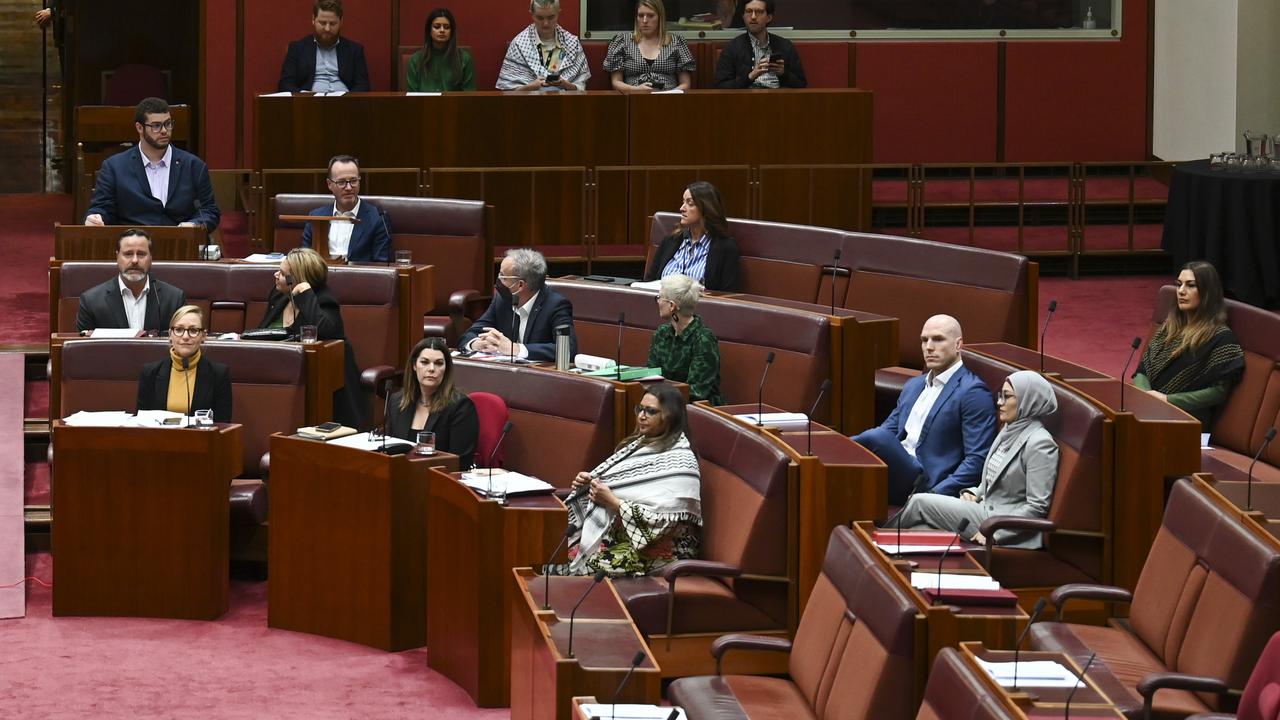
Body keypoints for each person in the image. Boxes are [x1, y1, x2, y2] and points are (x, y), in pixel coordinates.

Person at [892, 370, 1059, 549]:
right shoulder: (1009, 430)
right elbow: (990, 481)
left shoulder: (1040, 443)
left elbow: (1037, 506)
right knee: (921, 529)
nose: (999, 402)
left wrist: (995, 532)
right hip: (984, 509)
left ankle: (874, 540)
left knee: (919, 502)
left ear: (1029, 400)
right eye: (1000, 395)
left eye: (1007, 397)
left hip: (998, 522)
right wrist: (974, 492)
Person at [548, 383, 701, 576]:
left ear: (670, 416)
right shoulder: (640, 443)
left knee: (563, 571)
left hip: (662, 551)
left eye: (651, 411)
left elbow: (664, 521)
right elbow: (621, 483)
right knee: (548, 558)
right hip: (624, 536)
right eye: (640, 409)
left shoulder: (681, 461)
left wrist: (613, 502)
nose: (642, 416)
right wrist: (590, 483)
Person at [852, 315, 997, 505]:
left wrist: (932, 496)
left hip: (924, 482)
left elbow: (977, 459)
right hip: (894, 470)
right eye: (924, 340)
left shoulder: (972, 392)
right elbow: (889, 430)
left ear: (958, 345)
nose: (929, 347)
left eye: (938, 339)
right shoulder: (914, 385)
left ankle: (835, 447)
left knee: (876, 438)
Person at [257, 247, 366, 428]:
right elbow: (263, 332)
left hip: (315, 380)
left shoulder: (323, 300)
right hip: (275, 370)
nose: (276, 275)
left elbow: (327, 331)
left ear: (297, 280)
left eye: (283, 274)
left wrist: (306, 295)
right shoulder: (278, 296)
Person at [1133, 260, 1245, 428]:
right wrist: (1146, 395)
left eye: (1190, 286)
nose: (1181, 291)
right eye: (1179, 285)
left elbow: (1217, 392)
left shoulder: (1221, 338)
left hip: (1186, 420)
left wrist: (1167, 400)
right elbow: (1143, 369)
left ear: (1208, 292)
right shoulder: (1168, 327)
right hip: (1148, 410)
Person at [84, 97, 221, 232]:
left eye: (168, 124)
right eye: (156, 126)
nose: (164, 131)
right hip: (134, 246)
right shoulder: (114, 167)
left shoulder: (194, 166)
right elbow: (102, 208)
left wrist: (194, 225)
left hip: (180, 246)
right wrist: (95, 217)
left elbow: (210, 212)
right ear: (139, 128)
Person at [459, 248, 578, 362]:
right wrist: (477, 344)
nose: (498, 280)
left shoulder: (556, 305)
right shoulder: (501, 300)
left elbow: (568, 350)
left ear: (520, 285)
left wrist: (516, 349)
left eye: (502, 276)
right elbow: (470, 334)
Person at [386, 337, 479, 468]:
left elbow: (460, 462)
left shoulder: (461, 407)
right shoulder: (397, 401)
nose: (431, 369)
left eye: (439, 363)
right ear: (414, 365)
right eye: (424, 362)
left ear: (446, 368)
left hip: (440, 481)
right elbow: (389, 451)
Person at [76, 228, 187, 335]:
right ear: (117, 257)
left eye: (141, 254)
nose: (134, 260)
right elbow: (84, 350)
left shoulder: (174, 299)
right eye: (128, 254)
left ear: (151, 258)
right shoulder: (91, 301)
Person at [136, 305, 233, 423]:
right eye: (179, 330)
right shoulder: (150, 372)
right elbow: (141, 422)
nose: (185, 336)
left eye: (193, 330)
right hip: (159, 440)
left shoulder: (218, 374)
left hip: (200, 440)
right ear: (170, 334)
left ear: (203, 336)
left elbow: (222, 423)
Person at [643, 181, 741, 292]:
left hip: (702, 308)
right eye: (683, 202)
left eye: (690, 203)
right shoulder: (671, 241)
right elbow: (649, 282)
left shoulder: (725, 247)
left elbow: (727, 295)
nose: (682, 208)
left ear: (706, 208)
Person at [647, 274, 724, 405]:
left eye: (660, 298)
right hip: (663, 403)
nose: (658, 301)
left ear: (672, 306)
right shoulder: (661, 333)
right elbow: (651, 376)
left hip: (697, 410)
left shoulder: (703, 339)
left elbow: (697, 391)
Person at [300, 155, 390, 263]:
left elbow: (382, 265)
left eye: (353, 181)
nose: (348, 188)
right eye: (341, 182)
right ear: (329, 184)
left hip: (359, 278)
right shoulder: (315, 217)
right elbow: (304, 261)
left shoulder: (377, 218)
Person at [496, 0, 591, 92]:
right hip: (529, 104)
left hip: (566, 104)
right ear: (532, 14)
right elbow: (508, 92)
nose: (545, 23)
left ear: (558, 13)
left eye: (551, 17)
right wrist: (532, 86)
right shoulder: (519, 44)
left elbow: (581, 89)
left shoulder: (573, 43)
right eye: (540, 18)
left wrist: (565, 84)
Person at [278, 0, 371, 93]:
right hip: (309, 104)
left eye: (333, 24)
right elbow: (285, 85)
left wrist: (349, 99)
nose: (327, 29)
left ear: (341, 21)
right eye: (322, 23)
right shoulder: (297, 49)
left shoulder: (354, 50)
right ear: (313, 19)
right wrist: (304, 96)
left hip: (345, 104)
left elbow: (363, 85)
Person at [604, 0, 695, 93]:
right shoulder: (622, 41)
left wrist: (668, 94)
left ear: (660, 17)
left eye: (650, 16)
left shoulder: (676, 42)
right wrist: (637, 90)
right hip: (633, 98)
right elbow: (615, 82)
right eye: (640, 15)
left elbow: (685, 84)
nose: (645, 20)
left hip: (669, 99)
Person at [713, 0, 807, 89]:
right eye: (749, 11)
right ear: (743, 16)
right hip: (745, 100)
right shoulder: (732, 48)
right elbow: (720, 86)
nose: (753, 17)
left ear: (769, 17)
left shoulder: (785, 46)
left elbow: (801, 84)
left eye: (759, 12)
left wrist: (784, 73)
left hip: (778, 99)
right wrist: (750, 76)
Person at [406, 8, 476, 92]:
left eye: (446, 27)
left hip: (455, 105)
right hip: (424, 104)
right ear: (429, 30)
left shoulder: (464, 59)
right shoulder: (415, 60)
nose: (442, 30)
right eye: (437, 26)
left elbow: (469, 95)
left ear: (452, 32)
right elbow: (411, 97)